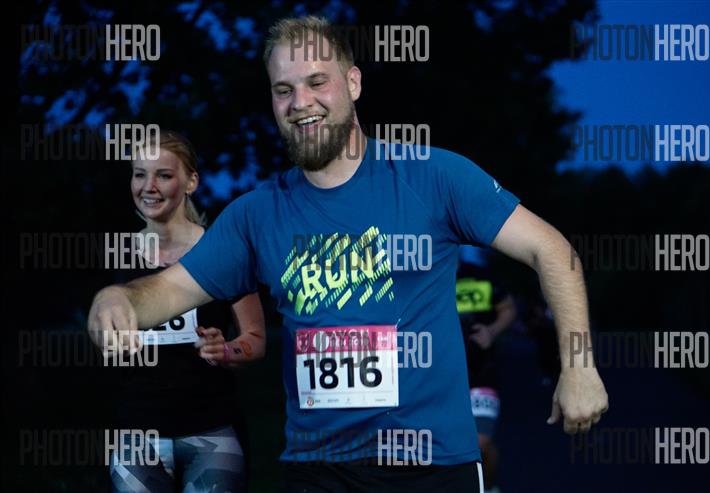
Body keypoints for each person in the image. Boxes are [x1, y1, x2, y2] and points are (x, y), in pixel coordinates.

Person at [88, 16, 608, 493]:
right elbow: (169, 290)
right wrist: (119, 299)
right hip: (318, 473)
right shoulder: (255, 215)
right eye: (284, 90)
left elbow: (551, 249)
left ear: (353, 83)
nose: (300, 102)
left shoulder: (433, 176)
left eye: (317, 82)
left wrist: (579, 365)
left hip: (433, 467)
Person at [89, 131, 267, 492]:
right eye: (140, 174)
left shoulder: (223, 251)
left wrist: (228, 350)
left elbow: (256, 339)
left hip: (212, 430)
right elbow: (97, 331)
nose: (148, 187)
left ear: (191, 182)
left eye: (164, 175)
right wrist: (108, 340)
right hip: (138, 433)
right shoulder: (116, 254)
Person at [456, 250, 517, 493]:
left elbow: (508, 308)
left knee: (481, 442)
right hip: (441, 378)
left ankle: (489, 487)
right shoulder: (425, 279)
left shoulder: (482, 277)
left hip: (481, 372)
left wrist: (491, 332)